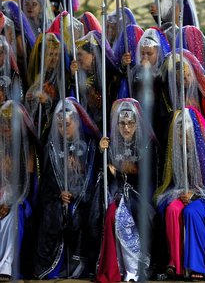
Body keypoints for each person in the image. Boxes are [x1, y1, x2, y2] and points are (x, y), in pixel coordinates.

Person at [33, 98, 101, 279]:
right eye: (60, 126)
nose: (64, 129)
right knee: (54, 214)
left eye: (68, 125)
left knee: (78, 215)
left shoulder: (89, 144)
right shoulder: (52, 146)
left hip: (83, 198)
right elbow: (46, 179)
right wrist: (59, 193)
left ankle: (77, 265)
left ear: (77, 122)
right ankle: (55, 265)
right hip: (58, 198)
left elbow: (94, 177)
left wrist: (81, 169)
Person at [95, 99, 159, 282]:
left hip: (139, 197)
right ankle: (118, 267)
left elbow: (145, 177)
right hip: (116, 194)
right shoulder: (112, 142)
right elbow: (103, 174)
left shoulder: (146, 144)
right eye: (122, 123)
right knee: (110, 215)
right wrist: (102, 153)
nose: (126, 128)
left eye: (130, 123)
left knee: (124, 217)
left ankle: (135, 270)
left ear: (137, 123)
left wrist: (122, 173)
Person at [154, 107, 205, 280]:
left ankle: (197, 264)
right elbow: (173, 182)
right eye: (178, 130)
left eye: (185, 130)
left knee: (192, 212)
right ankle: (175, 262)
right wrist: (180, 194)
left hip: (203, 195)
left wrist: (194, 195)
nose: (181, 134)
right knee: (172, 209)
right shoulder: (176, 154)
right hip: (181, 193)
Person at [0, 101, 37, 280]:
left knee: (15, 215)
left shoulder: (27, 148)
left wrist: (10, 202)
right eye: (3, 123)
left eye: (10, 123)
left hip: (20, 198)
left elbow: (27, 185)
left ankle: (6, 265)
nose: (6, 127)